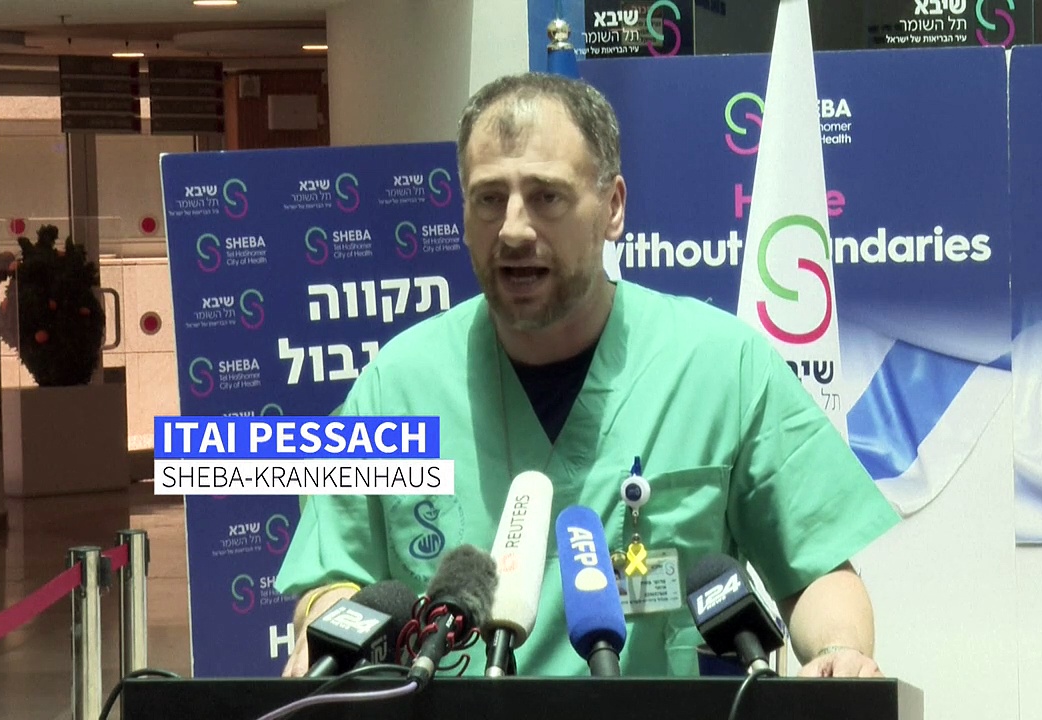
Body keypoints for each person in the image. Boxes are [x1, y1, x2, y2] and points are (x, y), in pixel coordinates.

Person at [274, 72, 900, 679]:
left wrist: (838, 653)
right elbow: (331, 580)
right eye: (489, 198)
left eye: (546, 196)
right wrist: (321, 632)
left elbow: (818, 571)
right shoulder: (393, 385)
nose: (513, 229)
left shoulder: (722, 367)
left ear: (612, 208)